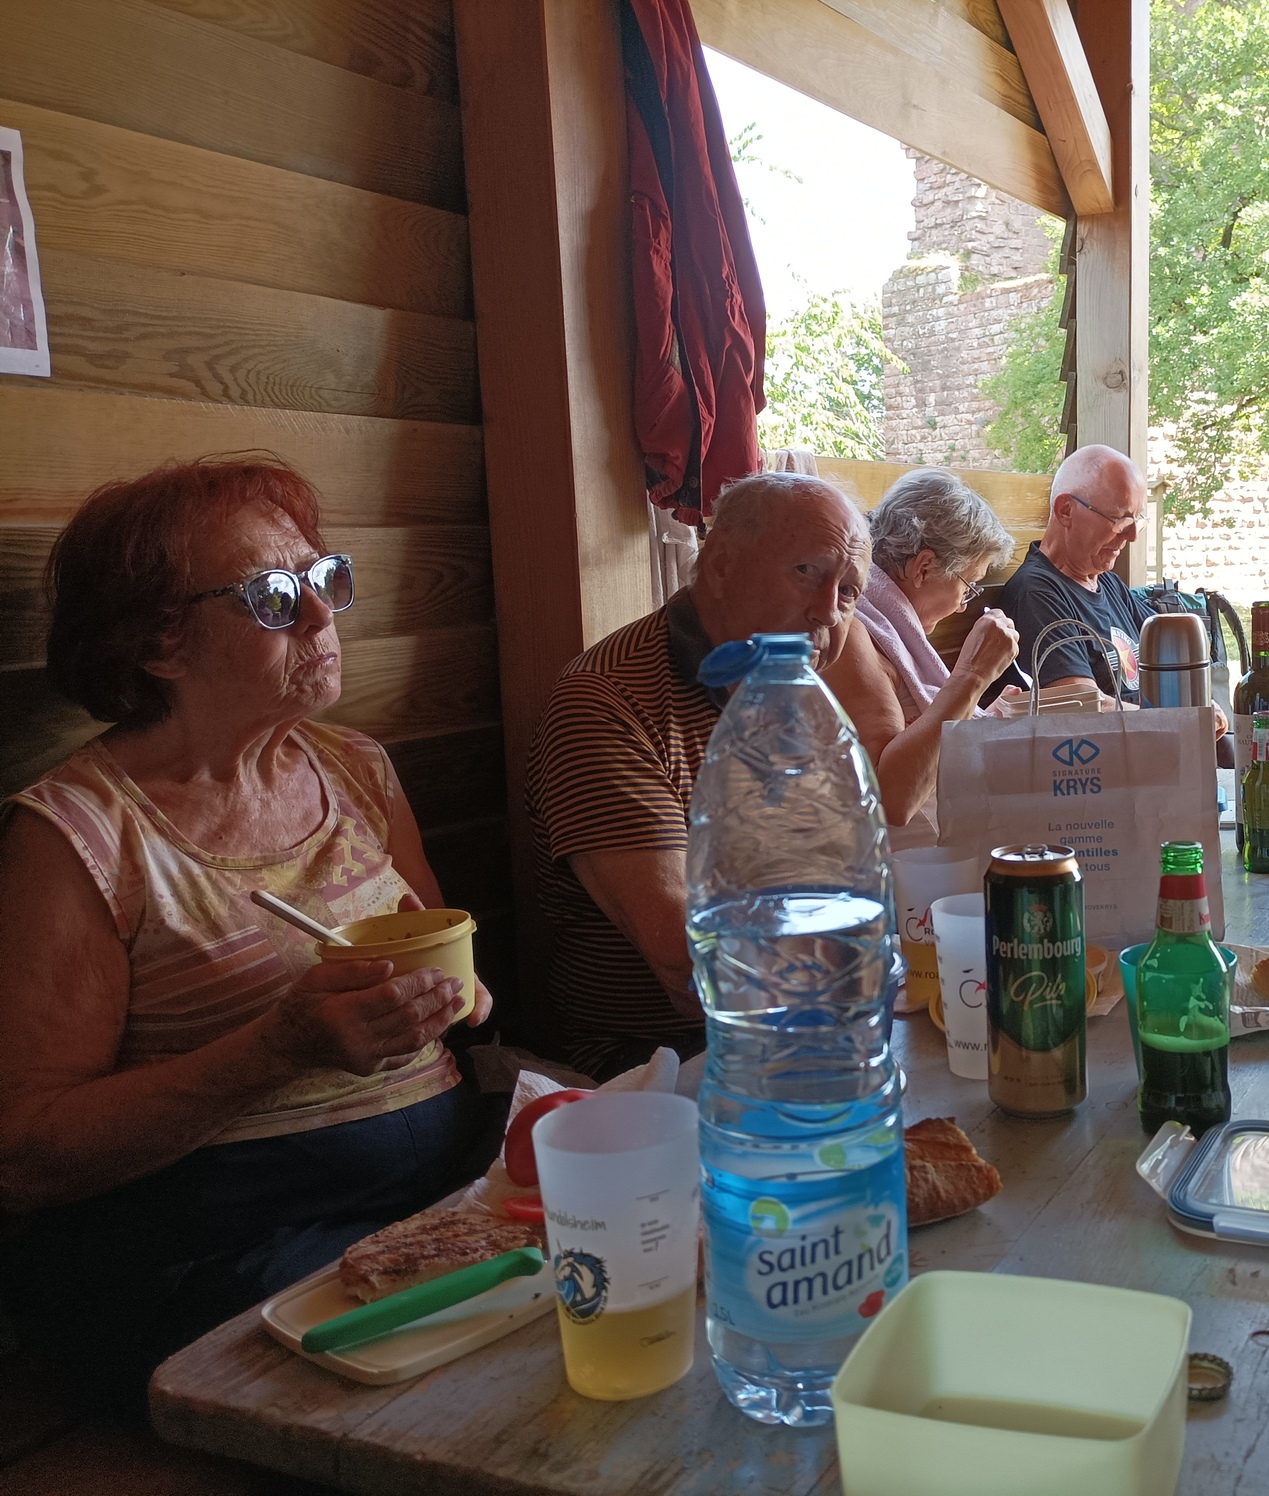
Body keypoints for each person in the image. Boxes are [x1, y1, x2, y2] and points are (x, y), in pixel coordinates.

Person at [0, 457, 495, 1408]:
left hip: (426, 1195)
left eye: (326, 578)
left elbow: (447, 970)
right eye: (273, 597)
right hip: (218, 1248)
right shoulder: (77, 837)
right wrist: (276, 1050)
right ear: (159, 644)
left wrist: (454, 996)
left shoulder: (355, 768)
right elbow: (24, 1154)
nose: (321, 617)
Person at [524, 471, 870, 1079]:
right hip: (650, 1063)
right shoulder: (606, 702)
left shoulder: (790, 693)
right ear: (721, 566)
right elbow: (686, 956)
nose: (827, 612)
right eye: (807, 572)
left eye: (847, 592)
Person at [818, 468, 1022, 835]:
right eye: (968, 587)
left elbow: (924, 731)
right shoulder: (853, 633)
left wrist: (979, 715)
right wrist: (972, 676)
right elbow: (891, 798)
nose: (963, 606)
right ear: (924, 568)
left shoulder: (891, 629)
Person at [995, 444, 1154, 704]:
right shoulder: (1036, 594)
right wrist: (1181, 720)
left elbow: (1167, 651)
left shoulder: (1108, 583)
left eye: (1136, 520)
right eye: (1120, 519)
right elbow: (1082, 704)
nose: (1132, 535)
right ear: (1066, 511)